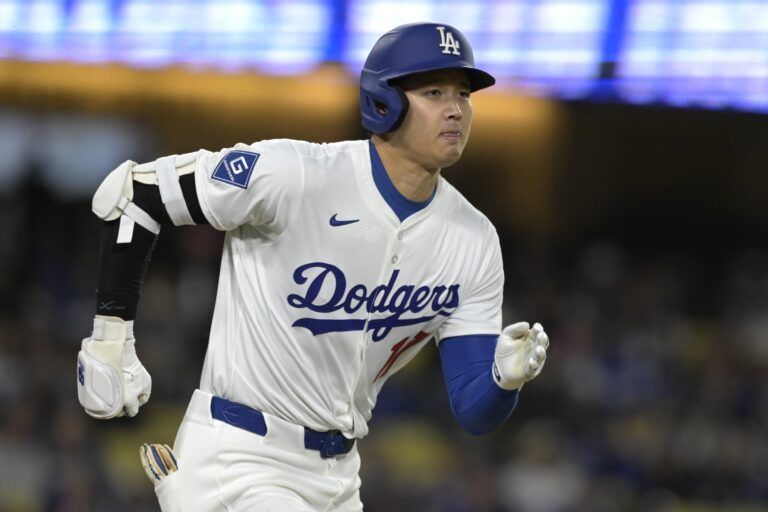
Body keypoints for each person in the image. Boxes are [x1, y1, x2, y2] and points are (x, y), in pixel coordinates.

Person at [75, 22, 550, 511]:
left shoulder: (473, 239)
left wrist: (502, 380)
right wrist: (110, 338)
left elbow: (473, 411)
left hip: (339, 476)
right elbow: (134, 193)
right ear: (384, 101)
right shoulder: (296, 175)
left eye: (464, 94)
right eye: (434, 91)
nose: (456, 108)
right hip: (242, 452)